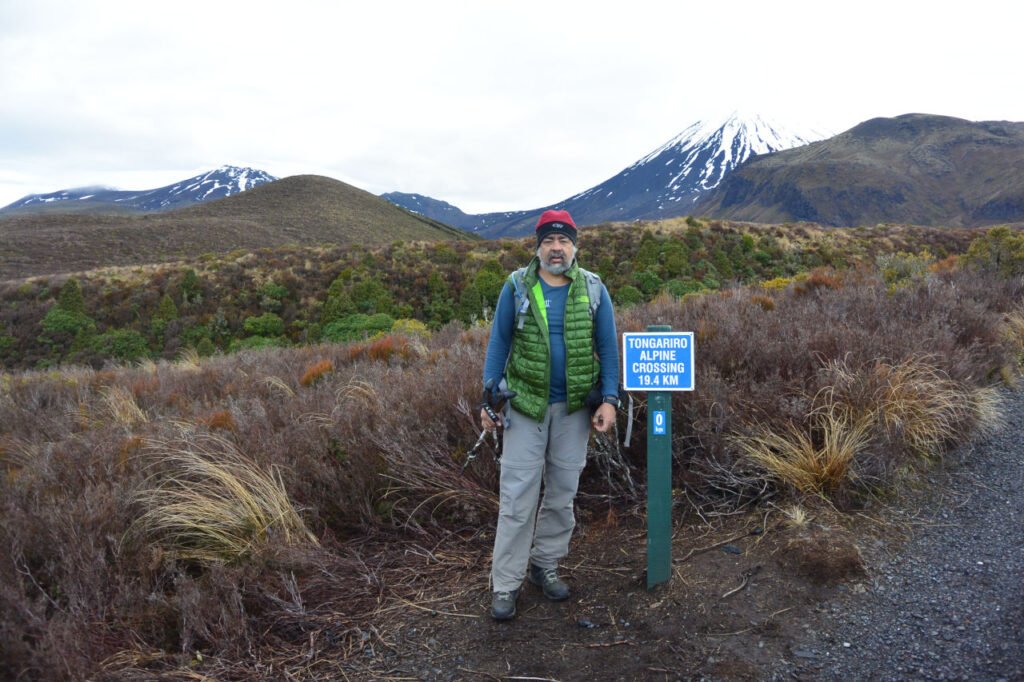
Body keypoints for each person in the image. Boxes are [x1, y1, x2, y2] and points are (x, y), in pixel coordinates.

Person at [480, 208, 619, 620]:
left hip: (574, 410)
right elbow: (498, 342)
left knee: (562, 495)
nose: (556, 249)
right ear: (537, 246)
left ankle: (545, 566)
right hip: (525, 407)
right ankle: (505, 585)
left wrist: (609, 398)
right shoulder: (517, 286)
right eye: (548, 241)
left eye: (563, 241)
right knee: (517, 499)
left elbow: (608, 347)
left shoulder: (593, 288)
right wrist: (488, 399)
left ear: (575, 245)